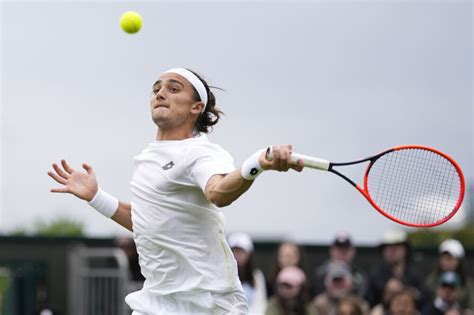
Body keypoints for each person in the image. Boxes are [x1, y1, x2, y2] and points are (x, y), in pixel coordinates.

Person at [47, 68, 304, 314]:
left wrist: (255, 163)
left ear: (196, 107)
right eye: (156, 89)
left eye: (173, 89)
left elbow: (219, 192)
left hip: (207, 304)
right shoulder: (147, 158)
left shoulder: (200, 152)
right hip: (156, 300)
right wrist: (96, 197)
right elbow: (148, 222)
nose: (160, 94)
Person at [365, 229, 427, 309]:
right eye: (388, 248)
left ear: (405, 250)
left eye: (396, 247)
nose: (392, 251)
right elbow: (368, 301)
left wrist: (411, 293)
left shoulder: (415, 275)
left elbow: (426, 300)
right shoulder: (375, 275)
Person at [311, 232, 367, 298]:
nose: (342, 253)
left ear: (352, 251)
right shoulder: (320, 273)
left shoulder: (359, 275)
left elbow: (362, 295)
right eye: (339, 249)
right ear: (331, 250)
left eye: (345, 249)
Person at [425, 239, 474, 310]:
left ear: (459, 261)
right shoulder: (430, 281)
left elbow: (471, 307)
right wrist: (438, 297)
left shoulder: (468, 284)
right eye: (443, 258)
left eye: (450, 259)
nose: (446, 262)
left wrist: (458, 300)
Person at [228, 232, 268, 315]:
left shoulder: (257, 276)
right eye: (235, 251)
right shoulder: (222, 275)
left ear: (249, 254)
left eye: (241, 251)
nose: (237, 255)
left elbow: (260, 304)